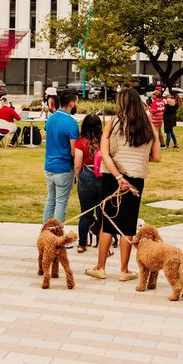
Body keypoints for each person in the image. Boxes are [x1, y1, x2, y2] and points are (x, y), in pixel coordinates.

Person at [87, 89, 160, 280]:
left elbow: (105, 153)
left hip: (113, 178)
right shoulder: (149, 126)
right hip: (136, 179)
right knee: (128, 225)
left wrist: (119, 177)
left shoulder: (114, 123)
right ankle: (124, 270)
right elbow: (156, 157)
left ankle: (100, 267)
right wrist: (138, 160)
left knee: (107, 224)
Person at [43, 91, 80, 224]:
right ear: (71, 103)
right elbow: (73, 151)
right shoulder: (71, 124)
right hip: (63, 168)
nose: (77, 105)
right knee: (60, 203)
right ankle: (57, 235)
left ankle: (45, 232)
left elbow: (48, 137)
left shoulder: (51, 118)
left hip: (49, 165)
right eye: (76, 102)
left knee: (51, 200)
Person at [73, 113, 104, 254]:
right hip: (103, 177)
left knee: (85, 213)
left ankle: (82, 244)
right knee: (102, 213)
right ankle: (104, 244)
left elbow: (78, 164)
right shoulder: (104, 140)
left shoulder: (81, 142)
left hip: (87, 176)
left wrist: (77, 177)